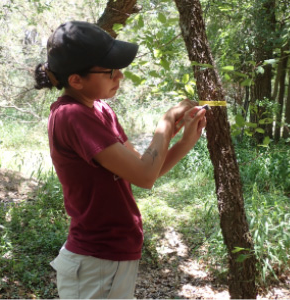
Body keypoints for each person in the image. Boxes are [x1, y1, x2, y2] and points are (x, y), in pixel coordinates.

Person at [34, 21, 207, 299]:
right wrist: (164, 123)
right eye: (110, 70)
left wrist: (183, 140)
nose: (120, 76)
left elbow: (144, 169)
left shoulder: (100, 110)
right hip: (95, 261)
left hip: (111, 256)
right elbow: (144, 175)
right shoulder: (71, 116)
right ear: (76, 80)